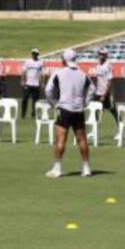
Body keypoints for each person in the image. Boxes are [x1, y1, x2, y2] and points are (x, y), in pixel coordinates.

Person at [44, 49, 94, 178]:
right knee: (82, 139)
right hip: (78, 110)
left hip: (64, 109)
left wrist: (54, 103)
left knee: (61, 139)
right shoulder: (83, 74)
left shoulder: (59, 73)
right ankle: (86, 167)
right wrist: (85, 103)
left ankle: (57, 168)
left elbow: (48, 90)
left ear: (64, 60)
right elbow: (92, 89)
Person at [90, 47, 119, 127]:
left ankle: (121, 130)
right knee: (94, 110)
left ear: (106, 55)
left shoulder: (108, 65)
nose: (100, 56)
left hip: (105, 93)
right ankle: (95, 129)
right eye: (99, 54)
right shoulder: (98, 65)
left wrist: (104, 95)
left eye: (102, 54)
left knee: (113, 111)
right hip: (98, 92)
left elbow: (109, 81)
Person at [20, 48, 44, 118]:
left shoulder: (40, 62)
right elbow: (23, 72)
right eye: (33, 53)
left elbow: (42, 74)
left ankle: (34, 113)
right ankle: (23, 114)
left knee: (35, 101)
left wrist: (42, 83)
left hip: (36, 84)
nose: (33, 54)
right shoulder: (27, 62)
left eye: (35, 53)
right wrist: (22, 80)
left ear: (37, 54)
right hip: (28, 84)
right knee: (24, 99)